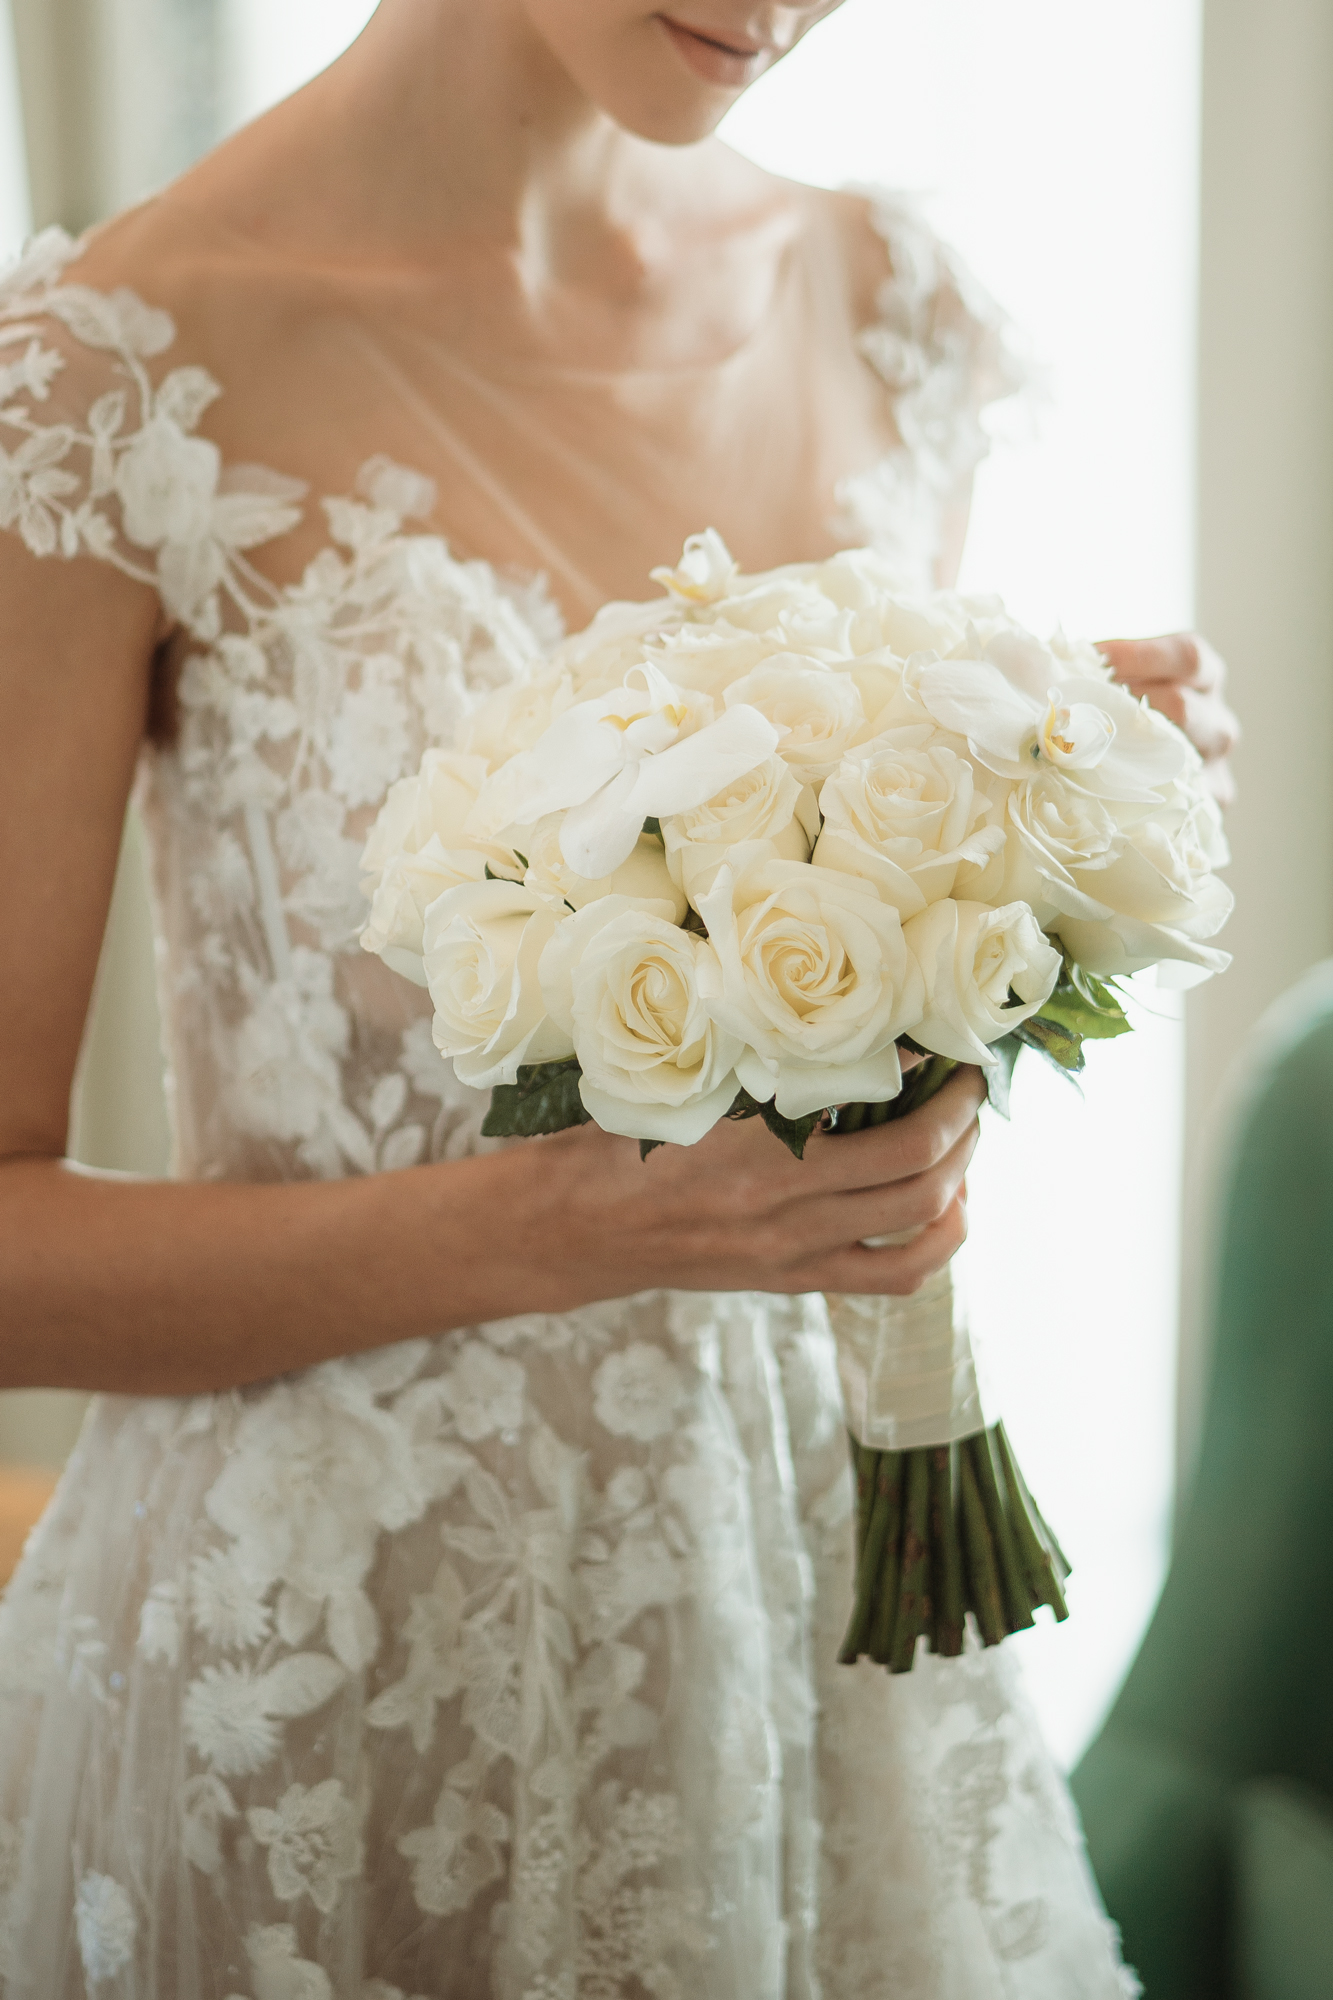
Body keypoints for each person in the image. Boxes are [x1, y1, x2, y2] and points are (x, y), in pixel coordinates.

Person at [0, 3, 1238, 1993]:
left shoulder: (883, 300)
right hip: (335, 1695)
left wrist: (1044, 838)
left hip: (822, 1648)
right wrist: (546, 1226)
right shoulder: (118, 379)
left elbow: (852, 1056)